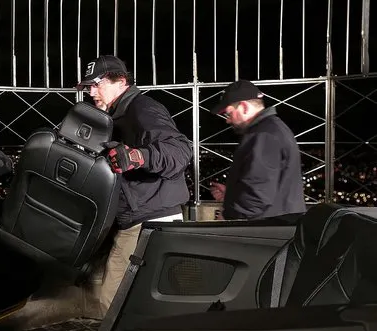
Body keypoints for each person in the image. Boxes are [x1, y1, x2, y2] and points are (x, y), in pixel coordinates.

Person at [77, 55, 193, 314]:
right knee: (145, 298)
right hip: (138, 217)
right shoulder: (115, 116)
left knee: (112, 300)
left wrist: (139, 156)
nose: (91, 92)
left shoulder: (141, 109)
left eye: (97, 84)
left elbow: (180, 150)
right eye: (88, 87)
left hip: (150, 219)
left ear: (121, 81)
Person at [209, 80, 306, 220]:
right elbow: (265, 184)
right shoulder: (271, 129)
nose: (228, 120)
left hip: (268, 230)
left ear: (244, 107)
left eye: (229, 114)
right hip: (275, 225)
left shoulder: (264, 135)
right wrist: (231, 194)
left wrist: (228, 217)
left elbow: (257, 196)